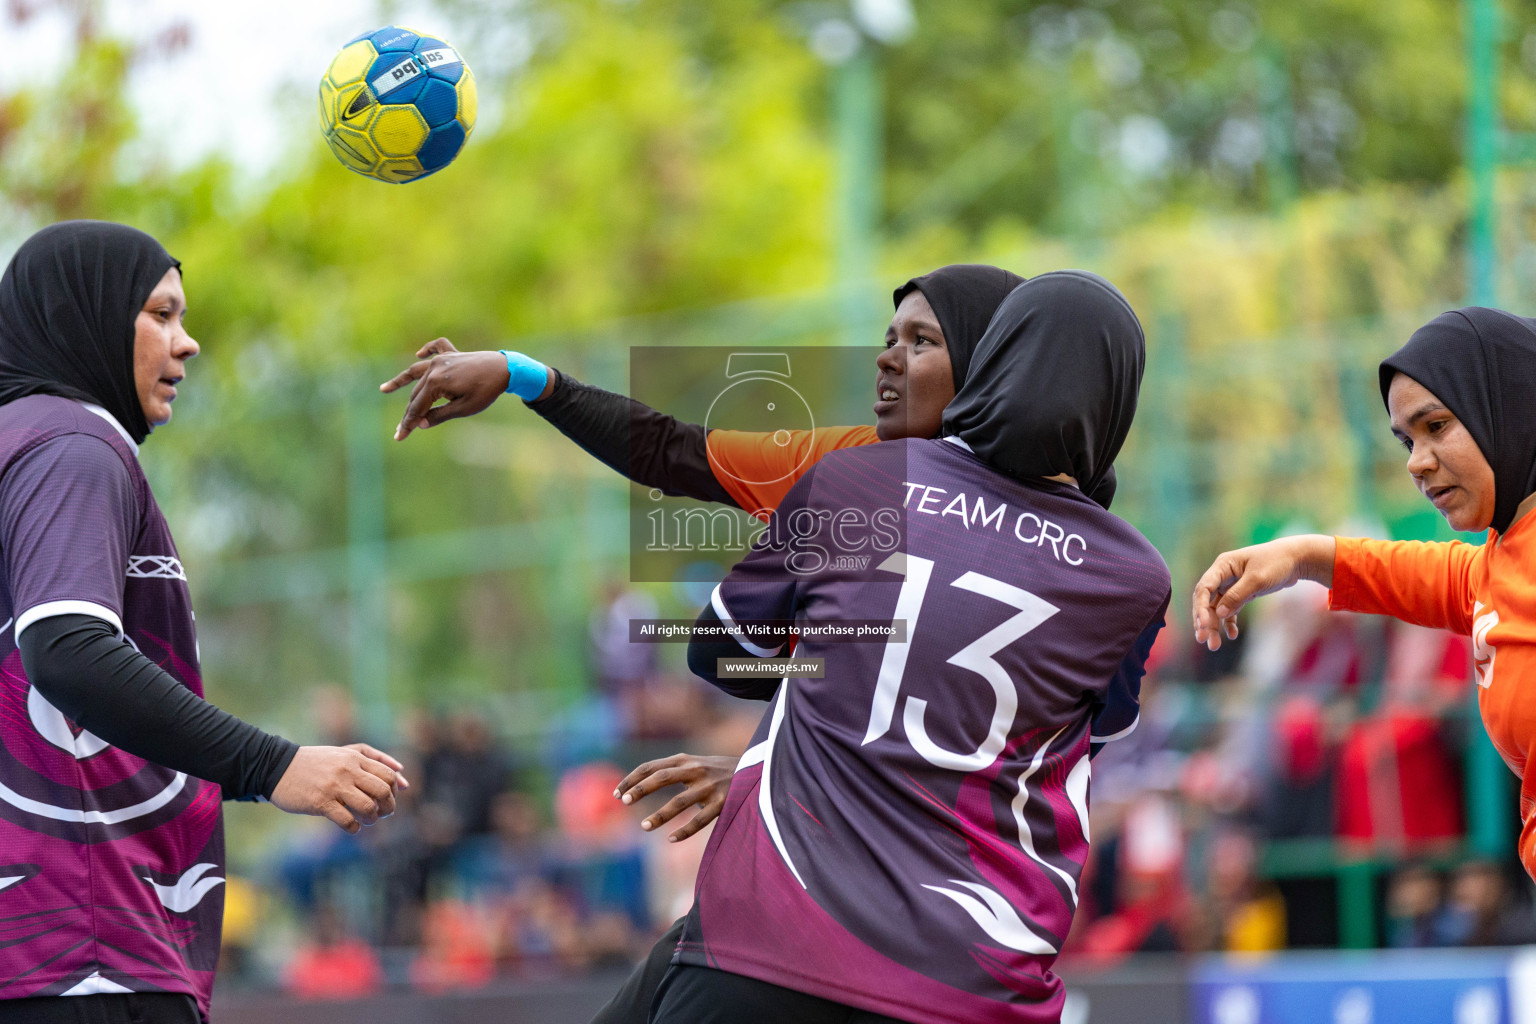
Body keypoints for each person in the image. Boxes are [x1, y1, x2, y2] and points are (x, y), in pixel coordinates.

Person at [655, 272, 1169, 1023]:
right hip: (971, 985)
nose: (889, 359)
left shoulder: (856, 479)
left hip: (766, 950)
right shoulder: (1133, 576)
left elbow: (717, 652)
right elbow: (1092, 734)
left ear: (989, 362)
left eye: (918, 340)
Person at [0, 221, 406, 1023]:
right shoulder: (74, 444)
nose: (186, 344)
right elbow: (69, 653)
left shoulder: (19, 446)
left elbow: (56, 711)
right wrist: (274, 764)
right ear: (81, 315)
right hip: (84, 949)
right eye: (159, 314)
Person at [1192, 306, 1536, 882]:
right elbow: (1441, 576)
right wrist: (1305, 556)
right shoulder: (1506, 553)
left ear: (1509, 403)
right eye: (1406, 440)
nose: (1417, 463)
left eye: (1437, 426)